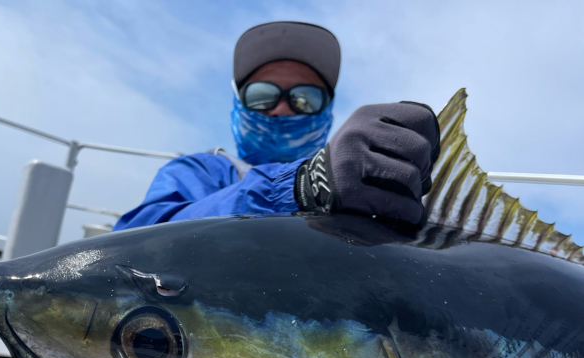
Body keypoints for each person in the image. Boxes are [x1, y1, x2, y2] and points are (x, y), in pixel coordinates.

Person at [113, 21, 440, 233]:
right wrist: (300, 186)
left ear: (327, 110)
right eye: (261, 96)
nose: (281, 109)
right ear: (239, 103)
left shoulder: (366, 184)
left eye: (305, 99)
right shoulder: (201, 171)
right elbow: (135, 242)